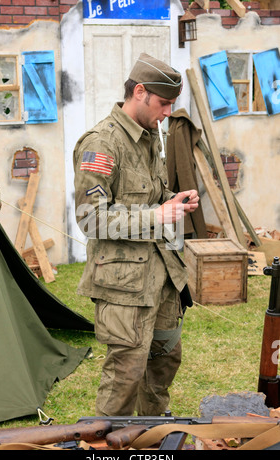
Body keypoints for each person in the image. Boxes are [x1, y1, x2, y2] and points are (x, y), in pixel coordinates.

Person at [73, 53, 199, 417]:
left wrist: (171, 202)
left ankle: (151, 436)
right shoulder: (101, 143)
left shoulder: (150, 137)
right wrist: (157, 215)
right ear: (139, 92)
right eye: (163, 103)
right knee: (125, 374)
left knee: (162, 364)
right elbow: (90, 218)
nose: (167, 112)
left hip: (162, 277)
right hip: (124, 284)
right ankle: (106, 446)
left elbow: (149, 196)